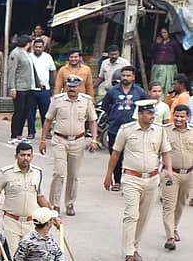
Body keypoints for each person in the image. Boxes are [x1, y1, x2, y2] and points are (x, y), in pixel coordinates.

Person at [104, 99, 174, 261]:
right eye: (149, 113)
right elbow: (115, 154)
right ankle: (128, 252)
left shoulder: (159, 131)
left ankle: (134, 246)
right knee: (131, 215)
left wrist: (169, 170)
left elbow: (166, 152)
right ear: (140, 114)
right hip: (131, 178)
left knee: (143, 216)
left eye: (153, 113)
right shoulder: (126, 130)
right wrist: (108, 176)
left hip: (151, 179)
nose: (152, 116)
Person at [39, 75, 98, 215]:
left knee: (74, 175)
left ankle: (70, 203)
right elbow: (48, 120)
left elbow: (92, 121)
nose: (72, 89)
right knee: (59, 172)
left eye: (75, 86)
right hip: (60, 139)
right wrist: (42, 141)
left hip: (78, 141)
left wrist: (94, 139)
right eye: (69, 86)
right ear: (66, 86)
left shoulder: (86, 101)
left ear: (79, 87)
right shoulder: (57, 100)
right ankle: (54, 204)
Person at [0, 141, 50, 253]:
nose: (26, 158)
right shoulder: (6, 173)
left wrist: (52, 215)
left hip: (31, 223)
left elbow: (40, 197)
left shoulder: (37, 173)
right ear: (16, 156)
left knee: (31, 258)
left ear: (32, 157)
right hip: (11, 222)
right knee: (12, 257)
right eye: (22, 155)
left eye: (29, 155)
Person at [100, 65, 148, 190]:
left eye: (128, 76)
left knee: (132, 156)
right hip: (115, 128)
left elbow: (146, 108)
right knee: (115, 155)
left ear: (133, 78)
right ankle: (117, 181)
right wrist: (112, 117)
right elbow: (105, 106)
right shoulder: (112, 91)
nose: (125, 78)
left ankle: (131, 181)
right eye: (123, 75)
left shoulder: (139, 92)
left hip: (133, 129)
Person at [162, 105, 192, 250]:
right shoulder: (165, 131)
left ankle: (174, 227)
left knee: (181, 203)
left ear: (188, 117)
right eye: (177, 116)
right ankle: (170, 237)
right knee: (169, 205)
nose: (179, 119)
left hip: (188, 174)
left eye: (182, 116)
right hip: (170, 174)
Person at [7, 35, 35, 143]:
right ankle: (14, 135)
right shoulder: (16, 53)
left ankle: (19, 134)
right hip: (19, 87)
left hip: (28, 87)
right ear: (28, 43)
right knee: (18, 111)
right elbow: (12, 71)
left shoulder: (27, 53)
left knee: (25, 111)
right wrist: (12, 87)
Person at [27, 38, 56, 139]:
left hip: (45, 89)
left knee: (46, 112)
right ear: (33, 47)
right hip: (31, 89)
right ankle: (31, 132)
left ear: (43, 48)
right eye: (36, 47)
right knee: (31, 112)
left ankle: (47, 132)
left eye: (40, 47)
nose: (38, 49)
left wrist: (53, 86)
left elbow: (52, 71)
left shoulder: (48, 57)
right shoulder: (28, 57)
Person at [150, 26, 183, 92]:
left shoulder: (173, 43)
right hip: (158, 67)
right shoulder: (157, 42)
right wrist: (156, 44)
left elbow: (179, 53)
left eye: (165, 32)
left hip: (170, 67)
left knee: (169, 84)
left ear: (168, 33)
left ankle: (168, 98)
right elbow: (151, 52)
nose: (163, 34)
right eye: (162, 33)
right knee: (158, 84)